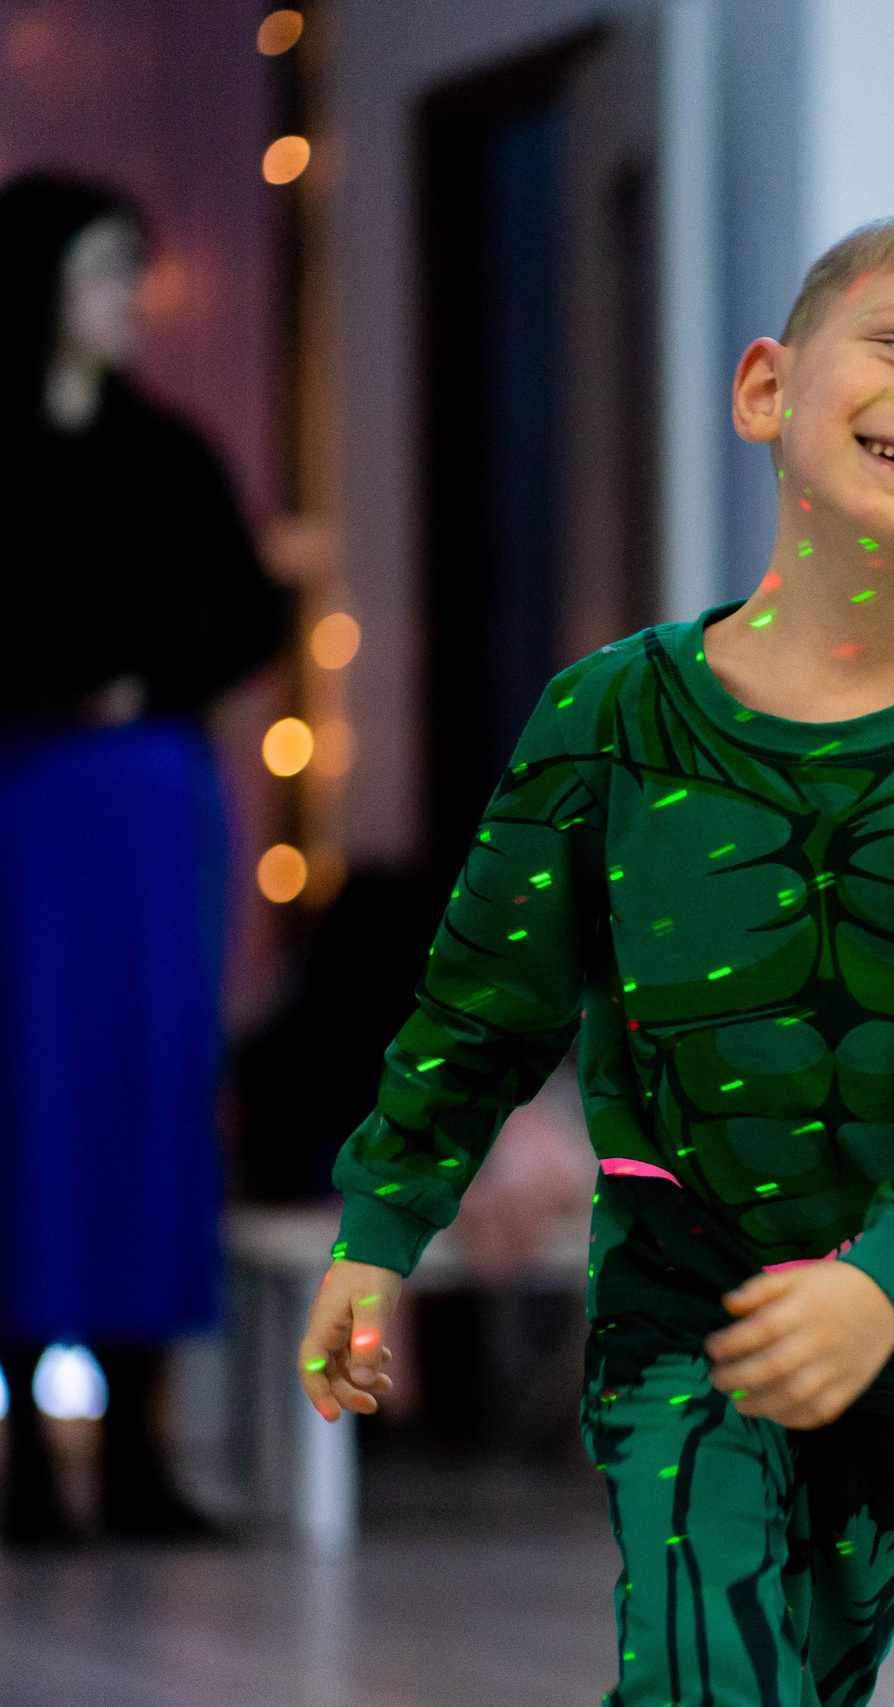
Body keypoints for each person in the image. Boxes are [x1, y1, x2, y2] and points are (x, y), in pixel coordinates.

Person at [296, 202, 894, 1707]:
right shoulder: (604, 719)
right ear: (765, 389)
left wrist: (886, 1284)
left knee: (800, 1674)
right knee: (702, 1656)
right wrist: (380, 1224)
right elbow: (481, 1003)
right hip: (685, 1293)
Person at [0, 172, 286, 1544]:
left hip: (141, 806)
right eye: (107, 268)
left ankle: (136, 1451)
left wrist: (144, 685)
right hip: (18, 801)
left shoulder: (168, 449)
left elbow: (253, 613)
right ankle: (23, 1454)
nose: (130, 297)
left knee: (147, 1090)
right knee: (23, 1098)